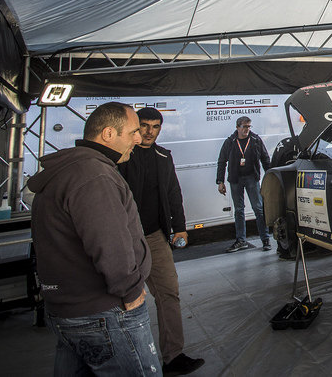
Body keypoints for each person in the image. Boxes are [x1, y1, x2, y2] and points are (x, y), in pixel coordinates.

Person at [27, 102, 160, 375]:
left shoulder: (68, 170)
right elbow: (110, 244)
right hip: (103, 314)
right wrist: (131, 290)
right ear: (109, 134)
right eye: (134, 131)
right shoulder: (94, 175)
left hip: (68, 311)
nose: (139, 138)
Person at [118, 107, 205, 376]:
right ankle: (122, 363)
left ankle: (173, 357)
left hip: (155, 237)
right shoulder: (121, 157)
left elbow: (173, 192)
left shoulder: (163, 156)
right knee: (120, 302)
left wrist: (180, 228)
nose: (149, 131)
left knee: (169, 293)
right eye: (144, 126)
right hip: (123, 239)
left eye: (155, 127)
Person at [217, 115, 272, 252]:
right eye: (244, 127)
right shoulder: (230, 142)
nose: (247, 129)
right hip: (236, 179)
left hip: (251, 178)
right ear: (237, 127)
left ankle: (265, 239)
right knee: (239, 210)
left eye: (248, 126)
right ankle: (241, 241)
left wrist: (271, 177)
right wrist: (220, 181)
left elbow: (265, 159)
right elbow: (222, 161)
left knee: (258, 209)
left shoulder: (255, 140)